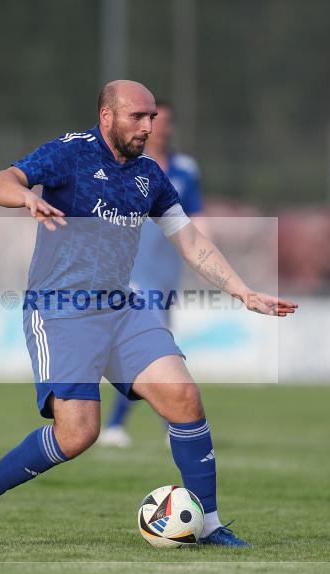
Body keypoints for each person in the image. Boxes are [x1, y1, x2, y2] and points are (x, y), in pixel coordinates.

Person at [0, 80, 297, 547]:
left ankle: (209, 524)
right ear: (106, 116)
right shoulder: (70, 153)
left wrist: (243, 292)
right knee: (77, 434)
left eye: (152, 117)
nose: (148, 125)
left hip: (121, 306)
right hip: (62, 310)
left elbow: (190, 240)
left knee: (185, 399)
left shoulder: (150, 175)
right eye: (138, 116)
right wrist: (27, 197)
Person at [97, 100, 204, 449]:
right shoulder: (124, 166)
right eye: (148, 119)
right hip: (132, 271)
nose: (158, 127)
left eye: (162, 120)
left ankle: (141, 424)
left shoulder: (186, 168)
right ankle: (171, 424)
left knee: (153, 348)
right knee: (153, 346)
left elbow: (195, 220)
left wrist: (208, 261)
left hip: (167, 272)